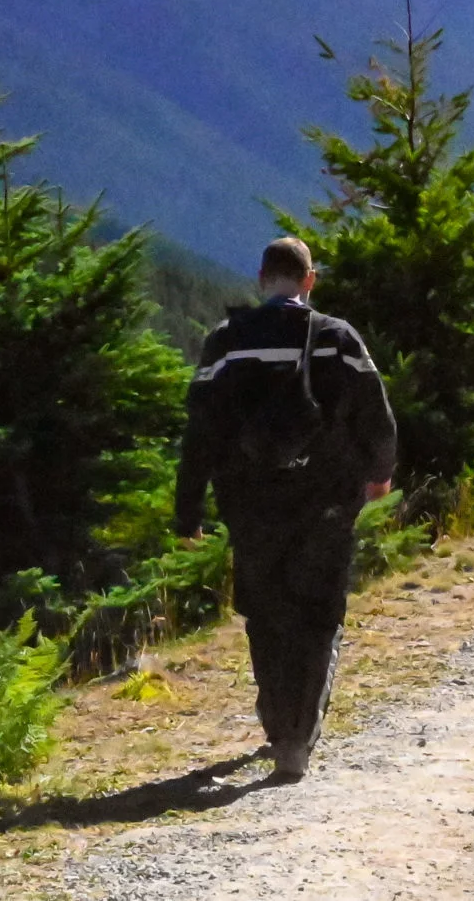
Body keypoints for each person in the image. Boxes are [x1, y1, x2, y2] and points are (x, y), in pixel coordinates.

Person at [175, 236, 395, 781]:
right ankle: (296, 738)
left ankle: (276, 724)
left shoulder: (226, 342)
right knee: (318, 613)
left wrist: (188, 512)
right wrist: (379, 474)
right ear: (309, 280)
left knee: (266, 611)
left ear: (260, 278)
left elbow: (200, 432)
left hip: (250, 504)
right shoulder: (337, 338)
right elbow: (376, 412)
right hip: (324, 499)